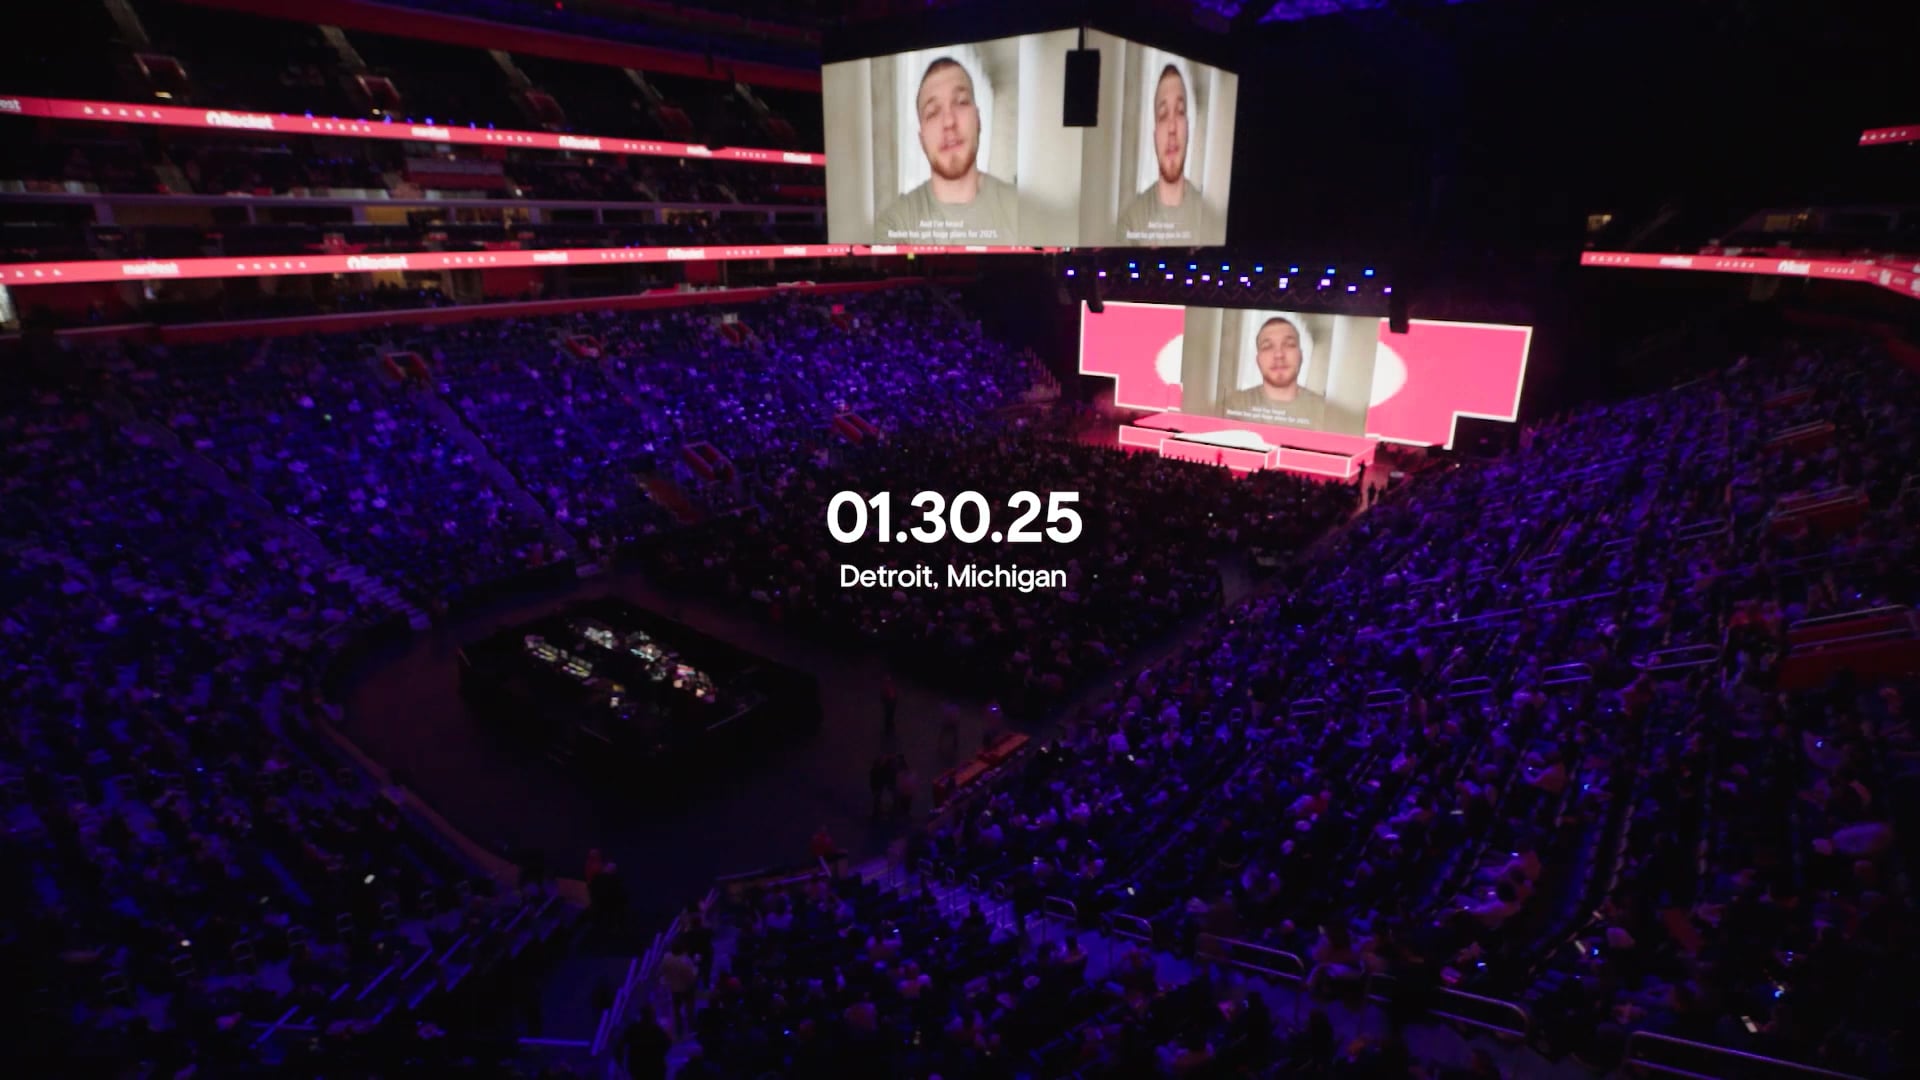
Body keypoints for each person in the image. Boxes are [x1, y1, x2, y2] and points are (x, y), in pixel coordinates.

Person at [874, 57, 1018, 243]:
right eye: (933, 112)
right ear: (922, 140)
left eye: (961, 102)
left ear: (978, 121)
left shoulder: (1020, 209)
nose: (949, 122)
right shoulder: (895, 224)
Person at [1217, 315, 1364, 432]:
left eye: (1289, 344)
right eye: (1267, 346)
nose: (1279, 354)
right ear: (1258, 360)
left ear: (1300, 355)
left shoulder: (1328, 413)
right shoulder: (1232, 405)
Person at [1117, 64, 1206, 245]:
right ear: (1155, 135)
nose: (1172, 128)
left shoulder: (1208, 219)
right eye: (1163, 115)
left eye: (1180, 112)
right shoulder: (1131, 221)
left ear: (1188, 128)